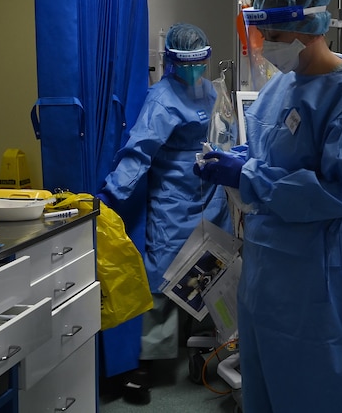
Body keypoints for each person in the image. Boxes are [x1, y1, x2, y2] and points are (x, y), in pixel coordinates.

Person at [194, 0, 342, 413]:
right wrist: (240, 159)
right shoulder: (279, 89)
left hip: (328, 270)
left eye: (272, 32)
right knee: (270, 376)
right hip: (272, 269)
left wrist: (247, 176)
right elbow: (275, 154)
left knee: (327, 384)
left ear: (304, 28)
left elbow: (337, 191)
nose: (265, 43)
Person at [96, 22, 229, 404]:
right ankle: (146, 364)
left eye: (199, 62)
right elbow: (140, 150)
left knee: (209, 270)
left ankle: (203, 349)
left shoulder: (209, 90)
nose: (193, 70)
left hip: (211, 191)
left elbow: (224, 130)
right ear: (170, 61)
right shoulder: (161, 98)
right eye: (186, 63)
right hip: (173, 196)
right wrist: (110, 194)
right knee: (163, 275)